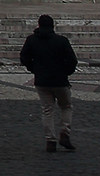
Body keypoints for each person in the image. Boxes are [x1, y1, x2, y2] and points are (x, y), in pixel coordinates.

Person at [19, 13, 77, 151]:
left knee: (47, 110)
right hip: (60, 80)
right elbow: (72, 61)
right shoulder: (61, 41)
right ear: (52, 26)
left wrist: (33, 69)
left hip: (41, 80)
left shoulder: (32, 40)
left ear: (39, 25)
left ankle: (50, 140)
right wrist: (66, 72)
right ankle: (64, 132)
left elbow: (24, 57)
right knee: (66, 106)